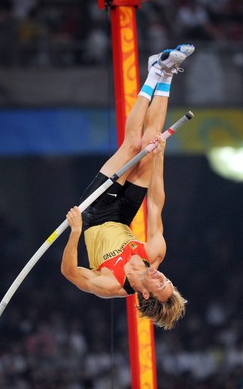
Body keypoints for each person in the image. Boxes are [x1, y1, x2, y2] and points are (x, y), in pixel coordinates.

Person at [61, 44, 195, 330]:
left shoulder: (112, 285)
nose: (162, 278)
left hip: (95, 216)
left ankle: (154, 73)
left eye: (161, 286)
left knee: (133, 145)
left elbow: (71, 272)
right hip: (122, 215)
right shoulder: (155, 255)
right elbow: (156, 203)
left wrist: (74, 233)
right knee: (150, 144)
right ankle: (167, 73)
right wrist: (159, 157)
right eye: (168, 281)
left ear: (146, 294)